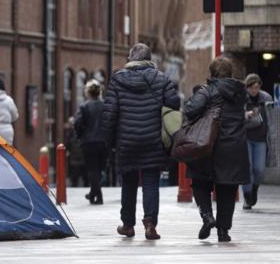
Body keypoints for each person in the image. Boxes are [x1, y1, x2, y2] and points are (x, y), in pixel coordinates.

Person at [101, 43, 180, 239]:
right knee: (151, 182)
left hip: (126, 140)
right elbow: (174, 103)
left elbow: (110, 113)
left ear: (130, 58)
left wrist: (108, 141)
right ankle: (150, 224)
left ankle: (128, 224)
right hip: (152, 138)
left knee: (128, 181)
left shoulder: (117, 79)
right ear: (149, 58)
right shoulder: (161, 78)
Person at [184, 57, 249, 242]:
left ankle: (207, 216)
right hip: (233, 146)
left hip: (208, 144)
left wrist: (198, 93)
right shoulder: (240, 92)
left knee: (199, 180)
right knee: (227, 188)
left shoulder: (208, 90)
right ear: (230, 73)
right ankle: (223, 231)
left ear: (211, 73)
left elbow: (189, 109)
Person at [242, 73, 276, 210]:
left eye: (257, 87)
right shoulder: (241, 98)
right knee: (247, 168)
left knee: (259, 169)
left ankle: (254, 188)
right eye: (251, 88)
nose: (254, 90)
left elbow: (272, 118)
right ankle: (247, 196)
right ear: (247, 87)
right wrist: (246, 115)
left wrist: (273, 136)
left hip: (261, 139)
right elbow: (236, 116)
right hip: (245, 138)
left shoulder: (266, 97)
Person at [74, 80, 107, 204]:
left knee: (93, 169)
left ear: (87, 92)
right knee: (99, 169)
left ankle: (97, 195)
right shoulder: (105, 105)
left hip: (88, 142)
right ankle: (94, 194)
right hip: (103, 142)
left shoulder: (84, 106)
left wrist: (80, 135)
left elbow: (78, 123)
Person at [65, 117, 88, 187]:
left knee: (75, 180)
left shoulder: (71, 133)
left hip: (75, 160)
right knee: (85, 179)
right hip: (82, 159)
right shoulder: (85, 131)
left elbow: (67, 145)